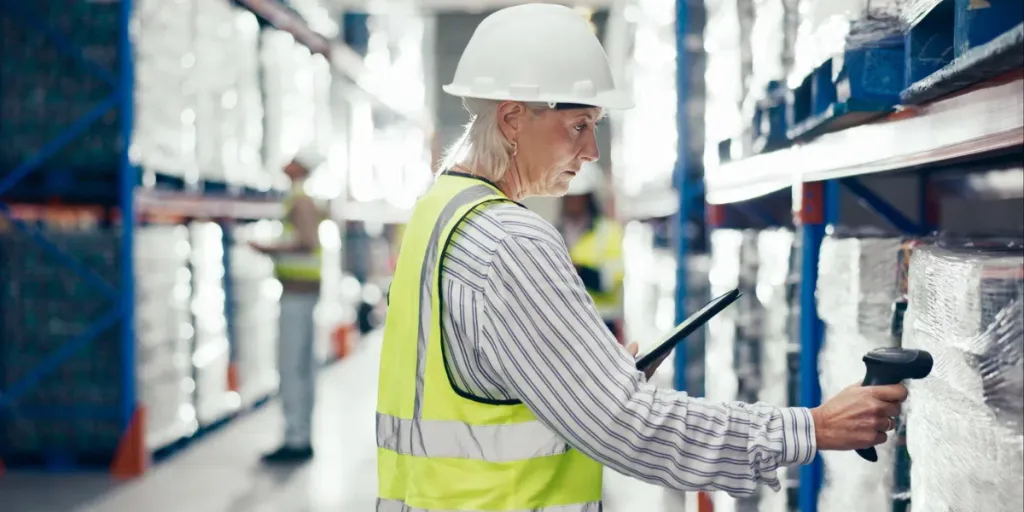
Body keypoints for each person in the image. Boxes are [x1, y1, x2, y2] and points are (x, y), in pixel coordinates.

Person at [376, 4, 908, 511]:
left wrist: (576, 377)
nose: (592, 153)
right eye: (579, 125)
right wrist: (810, 428)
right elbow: (624, 425)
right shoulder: (510, 240)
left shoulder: (438, 212)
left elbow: (470, 390)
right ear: (513, 119)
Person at [250, 146, 326, 464]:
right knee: (301, 366)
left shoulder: (301, 200)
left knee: (292, 367)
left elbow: (307, 242)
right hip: (302, 292)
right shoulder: (300, 198)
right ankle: (300, 435)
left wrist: (269, 247)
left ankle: (295, 438)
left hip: (298, 293)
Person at [559, 164, 625, 339]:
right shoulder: (557, 232)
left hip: (604, 324)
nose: (570, 202)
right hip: (569, 323)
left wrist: (579, 270)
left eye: (575, 197)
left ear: (588, 198)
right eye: (567, 197)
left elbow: (611, 279)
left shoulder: (608, 232)